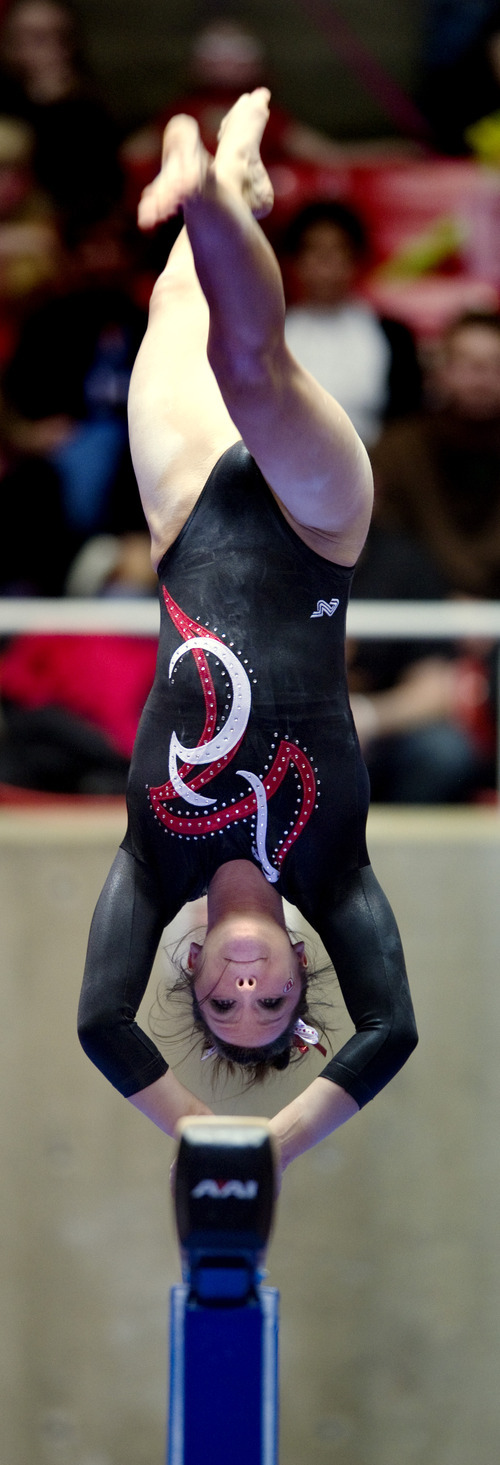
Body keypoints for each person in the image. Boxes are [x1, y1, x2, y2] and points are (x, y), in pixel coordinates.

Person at [77, 91, 417, 1181]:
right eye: (271, 1000)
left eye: (222, 1002)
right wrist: (266, 1144)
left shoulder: (152, 859)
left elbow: (100, 1029)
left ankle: (231, 188)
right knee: (250, 368)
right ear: (297, 967)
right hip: (316, 531)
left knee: (183, 298)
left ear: (184, 973)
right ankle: (212, 182)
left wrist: (193, 1129)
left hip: (184, 524)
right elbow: (389, 1033)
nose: (244, 981)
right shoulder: (333, 871)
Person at [282, 200, 422, 447]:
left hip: (374, 468)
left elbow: (407, 418)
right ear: (295, 262)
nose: (325, 264)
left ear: (356, 260)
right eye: (313, 251)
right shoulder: (269, 335)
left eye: (338, 251)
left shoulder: (393, 336)